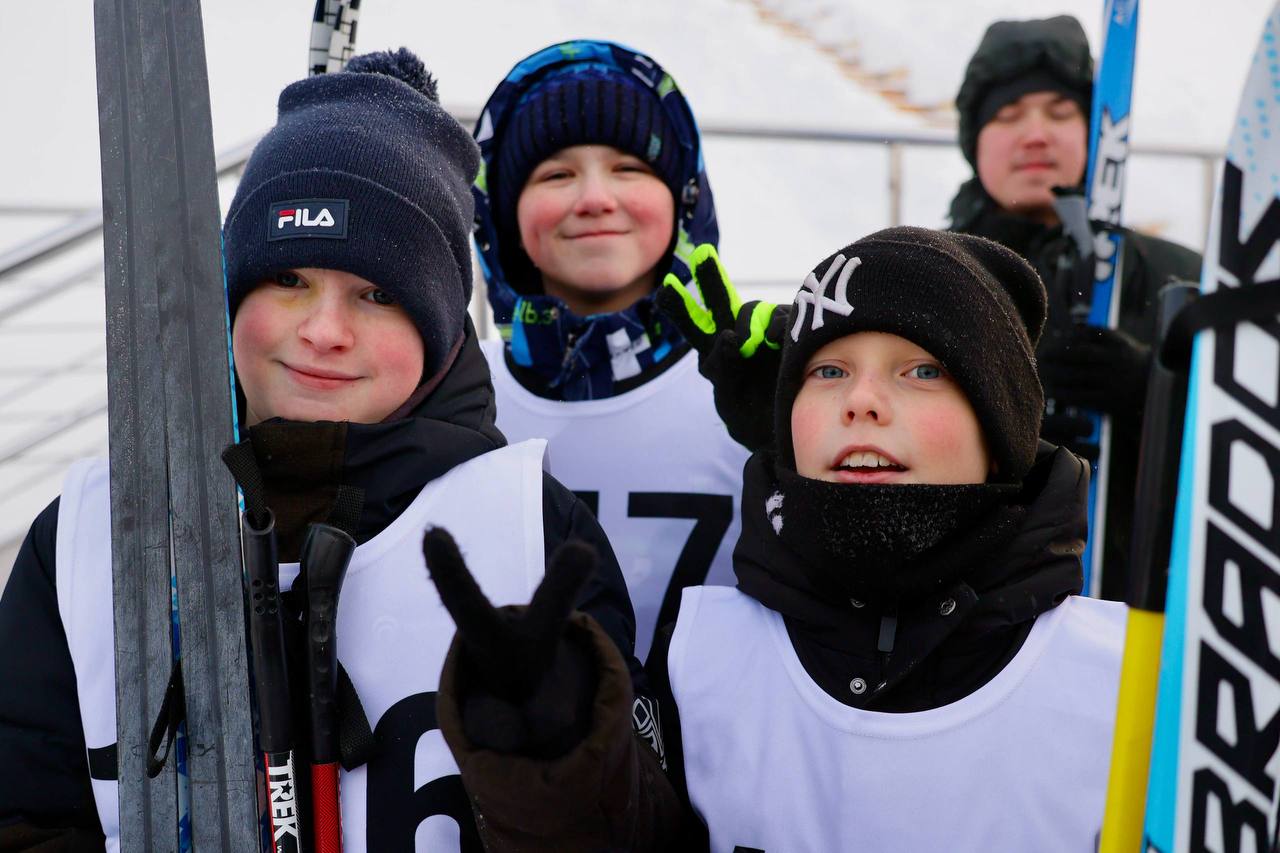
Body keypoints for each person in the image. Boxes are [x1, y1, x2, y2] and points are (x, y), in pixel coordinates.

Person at [0, 49, 655, 852]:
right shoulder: (86, 539)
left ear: (443, 329)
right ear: (229, 291)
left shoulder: (528, 531)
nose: (323, 331)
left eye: (378, 295)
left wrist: (561, 760)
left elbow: (649, 828)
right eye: (288, 281)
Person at [423, 226, 1126, 850]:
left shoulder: (1119, 680)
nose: (861, 399)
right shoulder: (702, 651)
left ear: (1001, 433)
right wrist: (552, 752)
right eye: (828, 370)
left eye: (922, 370)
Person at [470, 40, 748, 657]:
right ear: (502, 214)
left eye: (630, 168)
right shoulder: (459, 395)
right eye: (556, 174)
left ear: (684, 199)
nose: (595, 198)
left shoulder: (750, 393)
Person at [949, 14, 1202, 598]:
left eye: (1060, 113)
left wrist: (1156, 394)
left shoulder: (1180, 279)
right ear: (974, 140)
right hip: (967, 620)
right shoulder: (920, 277)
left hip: (1138, 610)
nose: (1035, 134)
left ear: (1097, 131)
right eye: (1008, 116)